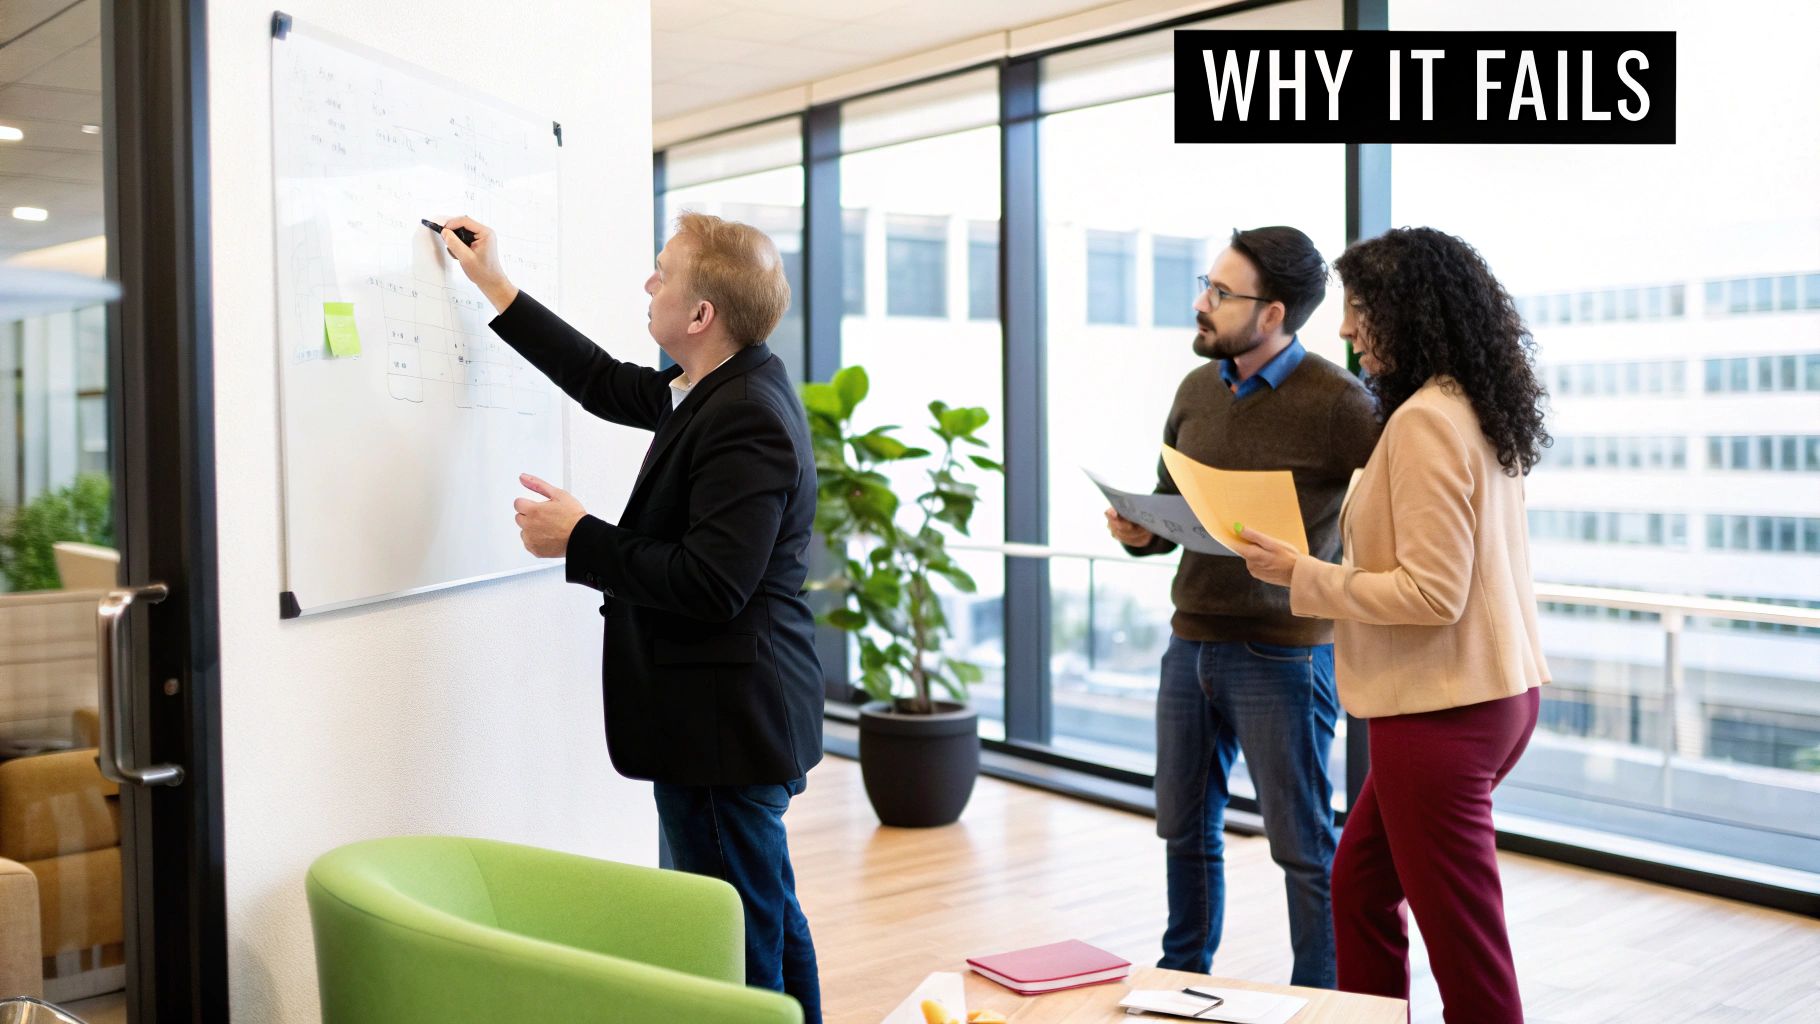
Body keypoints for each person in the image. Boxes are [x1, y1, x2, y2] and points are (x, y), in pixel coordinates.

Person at [439, 211, 824, 1021]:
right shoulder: (714, 388)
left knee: (738, 938)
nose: (648, 284)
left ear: (700, 316)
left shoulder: (745, 414)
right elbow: (603, 382)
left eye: (663, 272)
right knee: (766, 915)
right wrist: (495, 284)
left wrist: (580, 538)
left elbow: (713, 583)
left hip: (726, 726)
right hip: (725, 716)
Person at [1231, 226, 1551, 1023]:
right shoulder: (1468, 406)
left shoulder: (1424, 423)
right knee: (1361, 887)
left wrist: (1300, 574)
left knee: (1466, 949)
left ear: (1407, 312)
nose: (1344, 329)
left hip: (1441, 714)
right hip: (1489, 698)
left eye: (1360, 309)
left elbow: (1432, 594)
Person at [1106, 226, 1381, 988]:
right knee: (1183, 832)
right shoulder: (1195, 390)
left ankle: (1321, 999)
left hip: (1285, 654)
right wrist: (1139, 531)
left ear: (1273, 314)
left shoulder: (1339, 403)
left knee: (1302, 845)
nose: (1203, 303)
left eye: (1222, 294)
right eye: (1208, 284)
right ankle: (1179, 981)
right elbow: (1173, 512)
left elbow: (1407, 487)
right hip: (1189, 641)